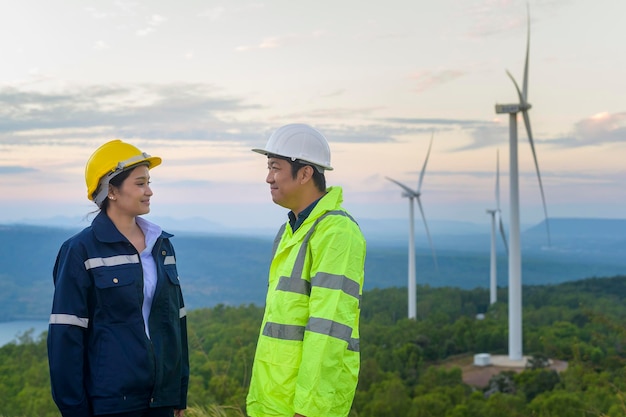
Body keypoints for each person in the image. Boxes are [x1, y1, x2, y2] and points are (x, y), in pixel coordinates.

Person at [47, 139, 189, 417]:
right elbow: (66, 336)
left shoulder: (161, 246)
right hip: (110, 403)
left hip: (161, 401)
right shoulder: (80, 250)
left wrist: (178, 394)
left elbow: (176, 323)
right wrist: (74, 410)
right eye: (140, 183)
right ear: (111, 189)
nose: (149, 191)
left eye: (148, 182)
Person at [246, 124, 366, 417]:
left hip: (305, 404)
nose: (268, 178)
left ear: (305, 173)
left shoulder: (337, 233)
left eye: (275, 168)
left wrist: (309, 409)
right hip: (273, 397)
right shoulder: (291, 229)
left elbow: (329, 327)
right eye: (268, 167)